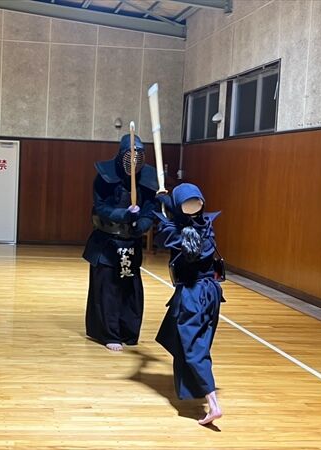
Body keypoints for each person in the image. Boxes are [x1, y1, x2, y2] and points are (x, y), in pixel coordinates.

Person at [153, 183, 225, 425]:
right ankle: (196, 389)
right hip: (212, 293)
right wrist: (168, 201)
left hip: (193, 295)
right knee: (178, 335)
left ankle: (213, 403)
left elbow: (170, 230)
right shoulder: (206, 226)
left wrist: (166, 203)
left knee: (193, 347)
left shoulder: (173, 233)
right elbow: (184, 219)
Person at [83, 134, 157, 351]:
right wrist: (124, 215)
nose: (133, 161)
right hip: (107, 243)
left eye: (137, 157)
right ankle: (109, 333)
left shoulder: (147, 179)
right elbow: (101, 207)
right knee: (107, 290)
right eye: (129, 156)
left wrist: (140, 225)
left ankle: (128, 332)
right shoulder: (104, 177)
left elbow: (149, 210)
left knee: (130, 290)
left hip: (131, 243)